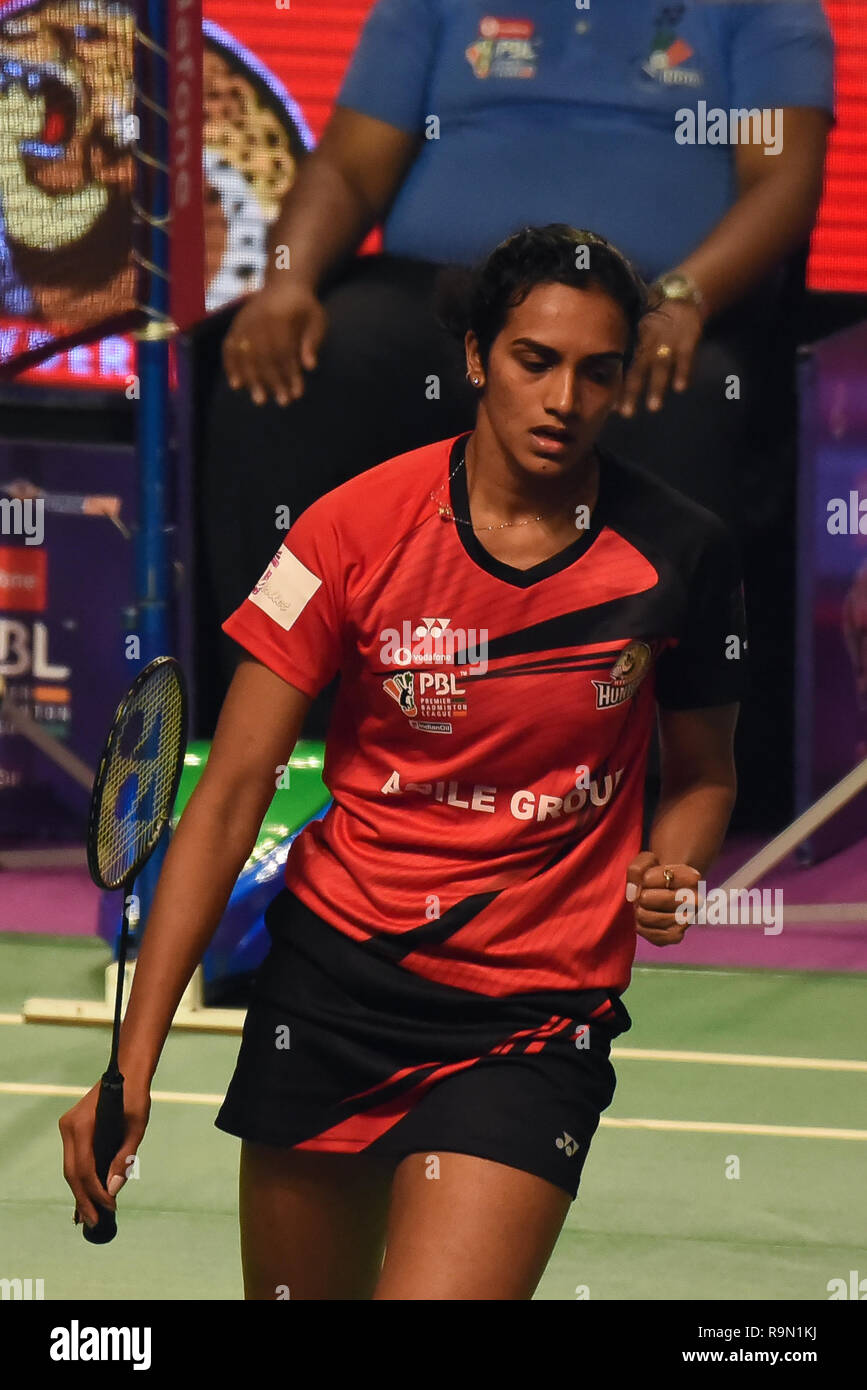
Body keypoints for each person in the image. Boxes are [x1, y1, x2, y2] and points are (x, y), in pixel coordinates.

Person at [62, 226, 745, 1300]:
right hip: (331, 991)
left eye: (597, 371)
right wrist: (130, 1059)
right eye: (534, 360)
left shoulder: (679, 550)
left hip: (530, 1011)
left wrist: (675, 861)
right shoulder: (351, 530)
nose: (564, 396)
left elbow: (704, 772)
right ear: (477, 357)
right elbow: (233, 790)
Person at [201, 0, 831, 821]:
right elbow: (349, 166)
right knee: (289, 371)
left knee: (691, 393)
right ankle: (303, 761)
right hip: (442, 293)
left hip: (647, 297)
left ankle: (642, 778)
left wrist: (685, 296)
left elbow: (782, 178)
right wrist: (285, 282)